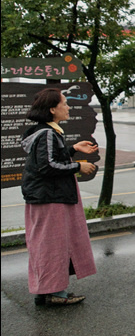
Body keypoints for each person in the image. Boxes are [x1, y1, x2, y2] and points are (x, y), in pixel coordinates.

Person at [20, 88, 99, 306]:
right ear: (53, 109)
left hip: (45, 197)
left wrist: (72, 148)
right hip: (49, 198)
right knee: (52, 245)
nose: (68, 107)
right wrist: (78, 166)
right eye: (64, 103)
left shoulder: (44, 131)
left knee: (46, 244)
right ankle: (54, 292)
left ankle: (47, 289)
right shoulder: (47, 133)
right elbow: (47, 166)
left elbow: (50, 158)